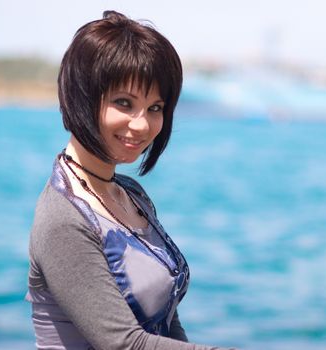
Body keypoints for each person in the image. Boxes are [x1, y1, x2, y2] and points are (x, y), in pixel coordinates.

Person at [25, 10, 233, 350]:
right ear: (82, 98)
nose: (142, 125)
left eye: (155, 108)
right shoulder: (63, 219)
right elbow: (123, 344)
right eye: (124, 103)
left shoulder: (130, 193)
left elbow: (166, 318)